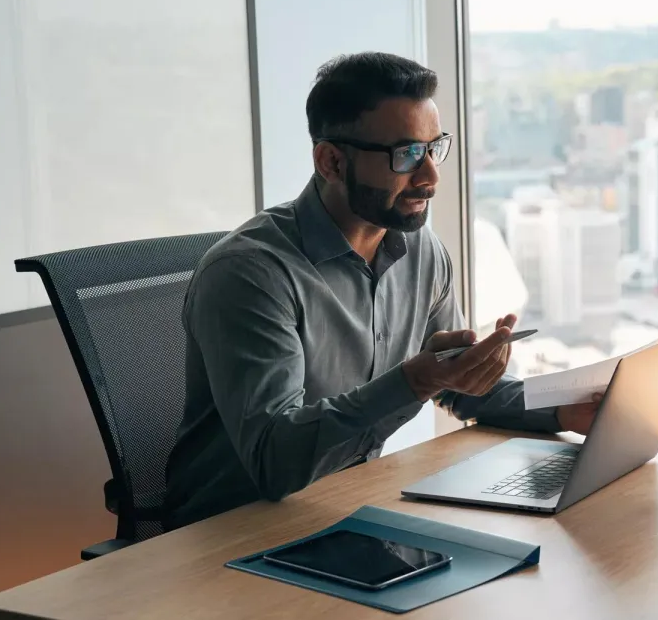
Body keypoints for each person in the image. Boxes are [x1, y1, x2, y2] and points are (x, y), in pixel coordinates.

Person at [162, 52, 599, 530]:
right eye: (406, 154)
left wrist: (561, 408)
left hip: (344, 507)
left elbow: (460, 385)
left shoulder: (420, 250)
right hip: (228, 535)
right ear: (331, 161)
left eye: (435, 148)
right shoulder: (250, 274)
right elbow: (274, 463)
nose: (430, 176)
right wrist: (415, 381)